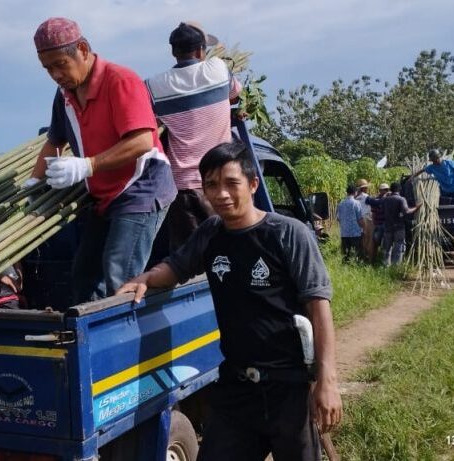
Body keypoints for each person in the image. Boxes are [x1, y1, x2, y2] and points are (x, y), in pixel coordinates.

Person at [116, 141, 341, 461]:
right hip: (236, 389)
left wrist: (326, 381)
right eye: (211, 185)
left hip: (288, 389)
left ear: (252, 184)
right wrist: (147, 278)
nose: (220, 194)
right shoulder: (211, 233)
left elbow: (319, 309)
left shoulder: (288, 234)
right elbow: (177, 267)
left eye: (231, 183)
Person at [25, 17, 177, 302]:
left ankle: (123, 341)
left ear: (82, 49)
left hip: (141, 188)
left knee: (119, 274)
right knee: (85, 273)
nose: (56, 74)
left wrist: (87, 165)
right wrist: (34, 182)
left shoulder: (120, 80)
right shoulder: (65, 95)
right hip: (104, 195)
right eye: (48, 69)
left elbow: (143, 141)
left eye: (60, 64)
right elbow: (54, 141)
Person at [145, 21, 241, 250]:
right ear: (200, 51)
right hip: (221, 182)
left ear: (173, 52)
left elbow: (147, 120)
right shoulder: (218, 69)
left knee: (188, 260)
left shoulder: (153, 86)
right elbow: (236, 95)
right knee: (229, 252)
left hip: (183, 190)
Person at [379, 182, 421, 266]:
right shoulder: (401, 199)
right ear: (399, 189)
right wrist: (416, 207)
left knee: (387, 247)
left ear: (391, 189)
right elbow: (407, 211)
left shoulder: (385, 200)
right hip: (399, 227)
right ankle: (395, 266)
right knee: (398, 246)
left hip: (387, 227)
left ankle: (386, 266)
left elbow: (382, 210)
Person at [336, 184, 364, 262]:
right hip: (355, 233)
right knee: (356, 256)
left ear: (347, 192)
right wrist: (364, 228)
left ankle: (345, 271)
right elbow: (360, 219)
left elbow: (338, 218)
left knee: (346, 257)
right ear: (355, 192)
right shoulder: (356, 203)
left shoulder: (340, 204)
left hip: (344, 233)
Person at [366, 183, 390, 263]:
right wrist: (374, 224)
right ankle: (374, 260)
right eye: (385, 190)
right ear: (380, 191)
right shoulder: (376, 200)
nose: (386, 191)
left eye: (387, 189)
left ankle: (383, 261)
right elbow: (373, 213)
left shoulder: (390, 199)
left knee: (386, 244)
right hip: (379, 224)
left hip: (386, 225)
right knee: (376, 242)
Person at [354, 178, 374, 260]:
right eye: (366, 187)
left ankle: (360, 256)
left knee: (361, 239)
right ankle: (368, 256)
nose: (367, 189)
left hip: (357, 221)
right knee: (368, 239)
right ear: (364, 188)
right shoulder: (366, 197)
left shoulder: (355, 198)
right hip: (366, 220)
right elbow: (374, 205)